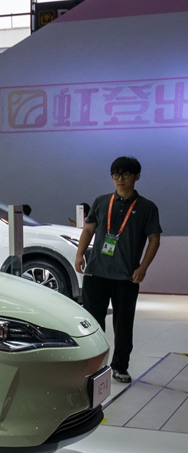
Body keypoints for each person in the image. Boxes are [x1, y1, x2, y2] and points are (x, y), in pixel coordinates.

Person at [75, 156, 161, 384]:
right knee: (93, 322)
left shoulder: (147, 207)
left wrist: (143, 267)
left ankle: (120, 366)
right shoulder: (102, 201)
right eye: (115, 175)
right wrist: (79, 254)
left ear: (136, 176)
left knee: (123, 325)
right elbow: (88, 230)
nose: (119, 180)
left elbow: (154, 239)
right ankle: (92, 365)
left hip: (126, 276)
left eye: (125, 175)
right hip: (96, 273)